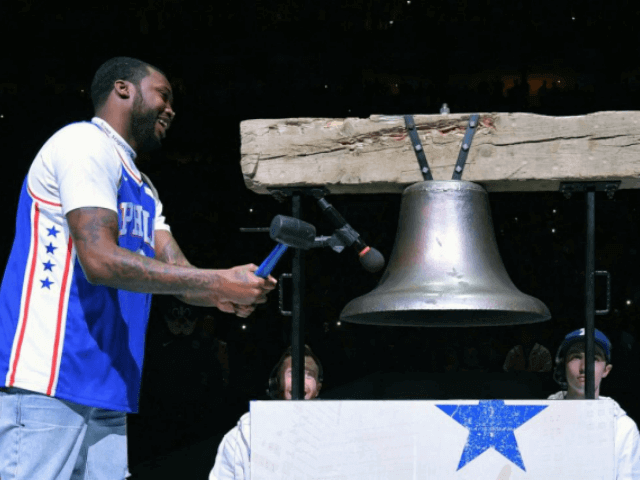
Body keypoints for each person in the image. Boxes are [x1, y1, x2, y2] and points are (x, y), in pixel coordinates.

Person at [0, 57, 276, 480]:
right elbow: (100, 260)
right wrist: (217, 281)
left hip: (109, 389)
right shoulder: (83, 144)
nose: (171, 109)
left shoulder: (144, 188)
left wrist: (225, 291)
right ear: (123, 89)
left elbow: (182, 277)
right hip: (50, 378)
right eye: (163, 94)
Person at [209, 345, 323, 480]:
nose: (300, 382)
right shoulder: (243, 436)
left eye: (309, 375)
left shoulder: (336, 432)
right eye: (292, 374)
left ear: (318, 388)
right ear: (277, 383)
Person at [548, 328, 640, 478]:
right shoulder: (539, 419)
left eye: (594, 358)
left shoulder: (623, 428)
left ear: (606, 370)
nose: (584, 367)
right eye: (575, 357)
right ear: (563, 365)